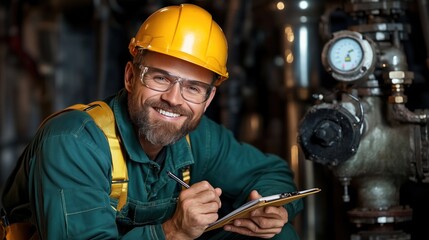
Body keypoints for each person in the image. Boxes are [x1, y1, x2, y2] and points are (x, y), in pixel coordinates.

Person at [1, 3, 303, 239]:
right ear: (131, 77)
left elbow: (272, 173)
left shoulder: (195, 136)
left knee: (272, 236)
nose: (174, 98)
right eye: (160, 78)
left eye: (193, 88)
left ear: (208, 100)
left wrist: (272, 209)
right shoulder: (73, 142)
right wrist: (173, 232)